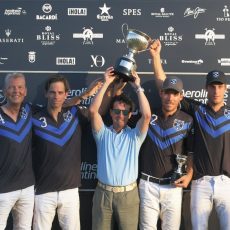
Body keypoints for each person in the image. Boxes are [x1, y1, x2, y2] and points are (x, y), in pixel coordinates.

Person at [150, 39, 230, 230]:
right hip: (200, 182)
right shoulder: (197, 109)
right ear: (206, 88)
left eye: (220, 86)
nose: (216, 90)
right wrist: (156, 56)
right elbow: (165, 86)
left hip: (226, 183)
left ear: (225, 88)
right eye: (212, 86)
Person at [89, 66, 151, 230]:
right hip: (103, 194)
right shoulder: (102, 134)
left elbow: (146, 116)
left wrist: (137, 87)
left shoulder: (135, 136)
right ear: (110, 112)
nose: (120, 115)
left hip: (128, 196)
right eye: (116, 111)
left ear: (130, 115)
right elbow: (93, 111)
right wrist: (106, 83)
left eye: (125, 112)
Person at [138, 74, 194, 230]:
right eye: (167, 92)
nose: (170, 98)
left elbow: (191, 152)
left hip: (173, 186)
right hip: (148, 184)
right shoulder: (148, 116)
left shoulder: (188, 120)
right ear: (161, 93)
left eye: (175, 93)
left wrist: (189, 175)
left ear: (181, 96)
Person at [0, 73, 35, 229]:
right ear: (4, 91)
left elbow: (59, 104)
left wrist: (85, 95)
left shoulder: (29, 110)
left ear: (25, 91)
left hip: (27, 187)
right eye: (12, 87)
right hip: (2, 188)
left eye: (20, 87)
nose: (16, 91)